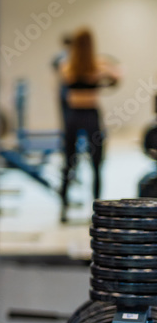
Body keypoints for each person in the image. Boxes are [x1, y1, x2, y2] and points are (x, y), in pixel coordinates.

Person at [57, 27, 121, 223]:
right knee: (95, 162)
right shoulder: (96, 65)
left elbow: (65, 80)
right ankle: (96, 207)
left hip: (75, 115)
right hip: (89, 115)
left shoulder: (68, 65)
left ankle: (64, 209)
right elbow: (118, 75)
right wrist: (105, 78)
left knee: (69, 162)